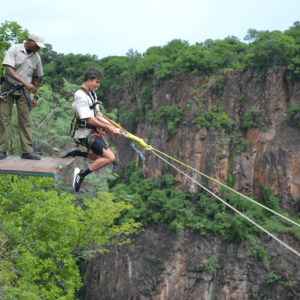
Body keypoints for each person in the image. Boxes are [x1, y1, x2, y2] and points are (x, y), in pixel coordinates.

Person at [63, 67, 121, 192]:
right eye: (97, 82)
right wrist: (109, 128)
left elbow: (98, 115)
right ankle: (81, 174)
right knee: (110, 158)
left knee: (102, 158)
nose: (98, 85)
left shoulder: (92, 94)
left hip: (92, 132)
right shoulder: (80, 95)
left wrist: (115, 127)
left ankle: (78, 153)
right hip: (84, 133)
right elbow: (89, 119)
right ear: (90, 79)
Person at [0, 32, 46, 160]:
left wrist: (35, 96)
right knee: (4, 119)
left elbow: (36, 77)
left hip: (23, 91)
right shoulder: (14, 49)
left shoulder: (36, 57)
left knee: (25, 121)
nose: (37, 48)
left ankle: (27, 151)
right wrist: (25, 82)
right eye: (37, 45)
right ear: (30, 41)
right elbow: (8, 69)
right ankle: (2, 150)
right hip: (8, 88)